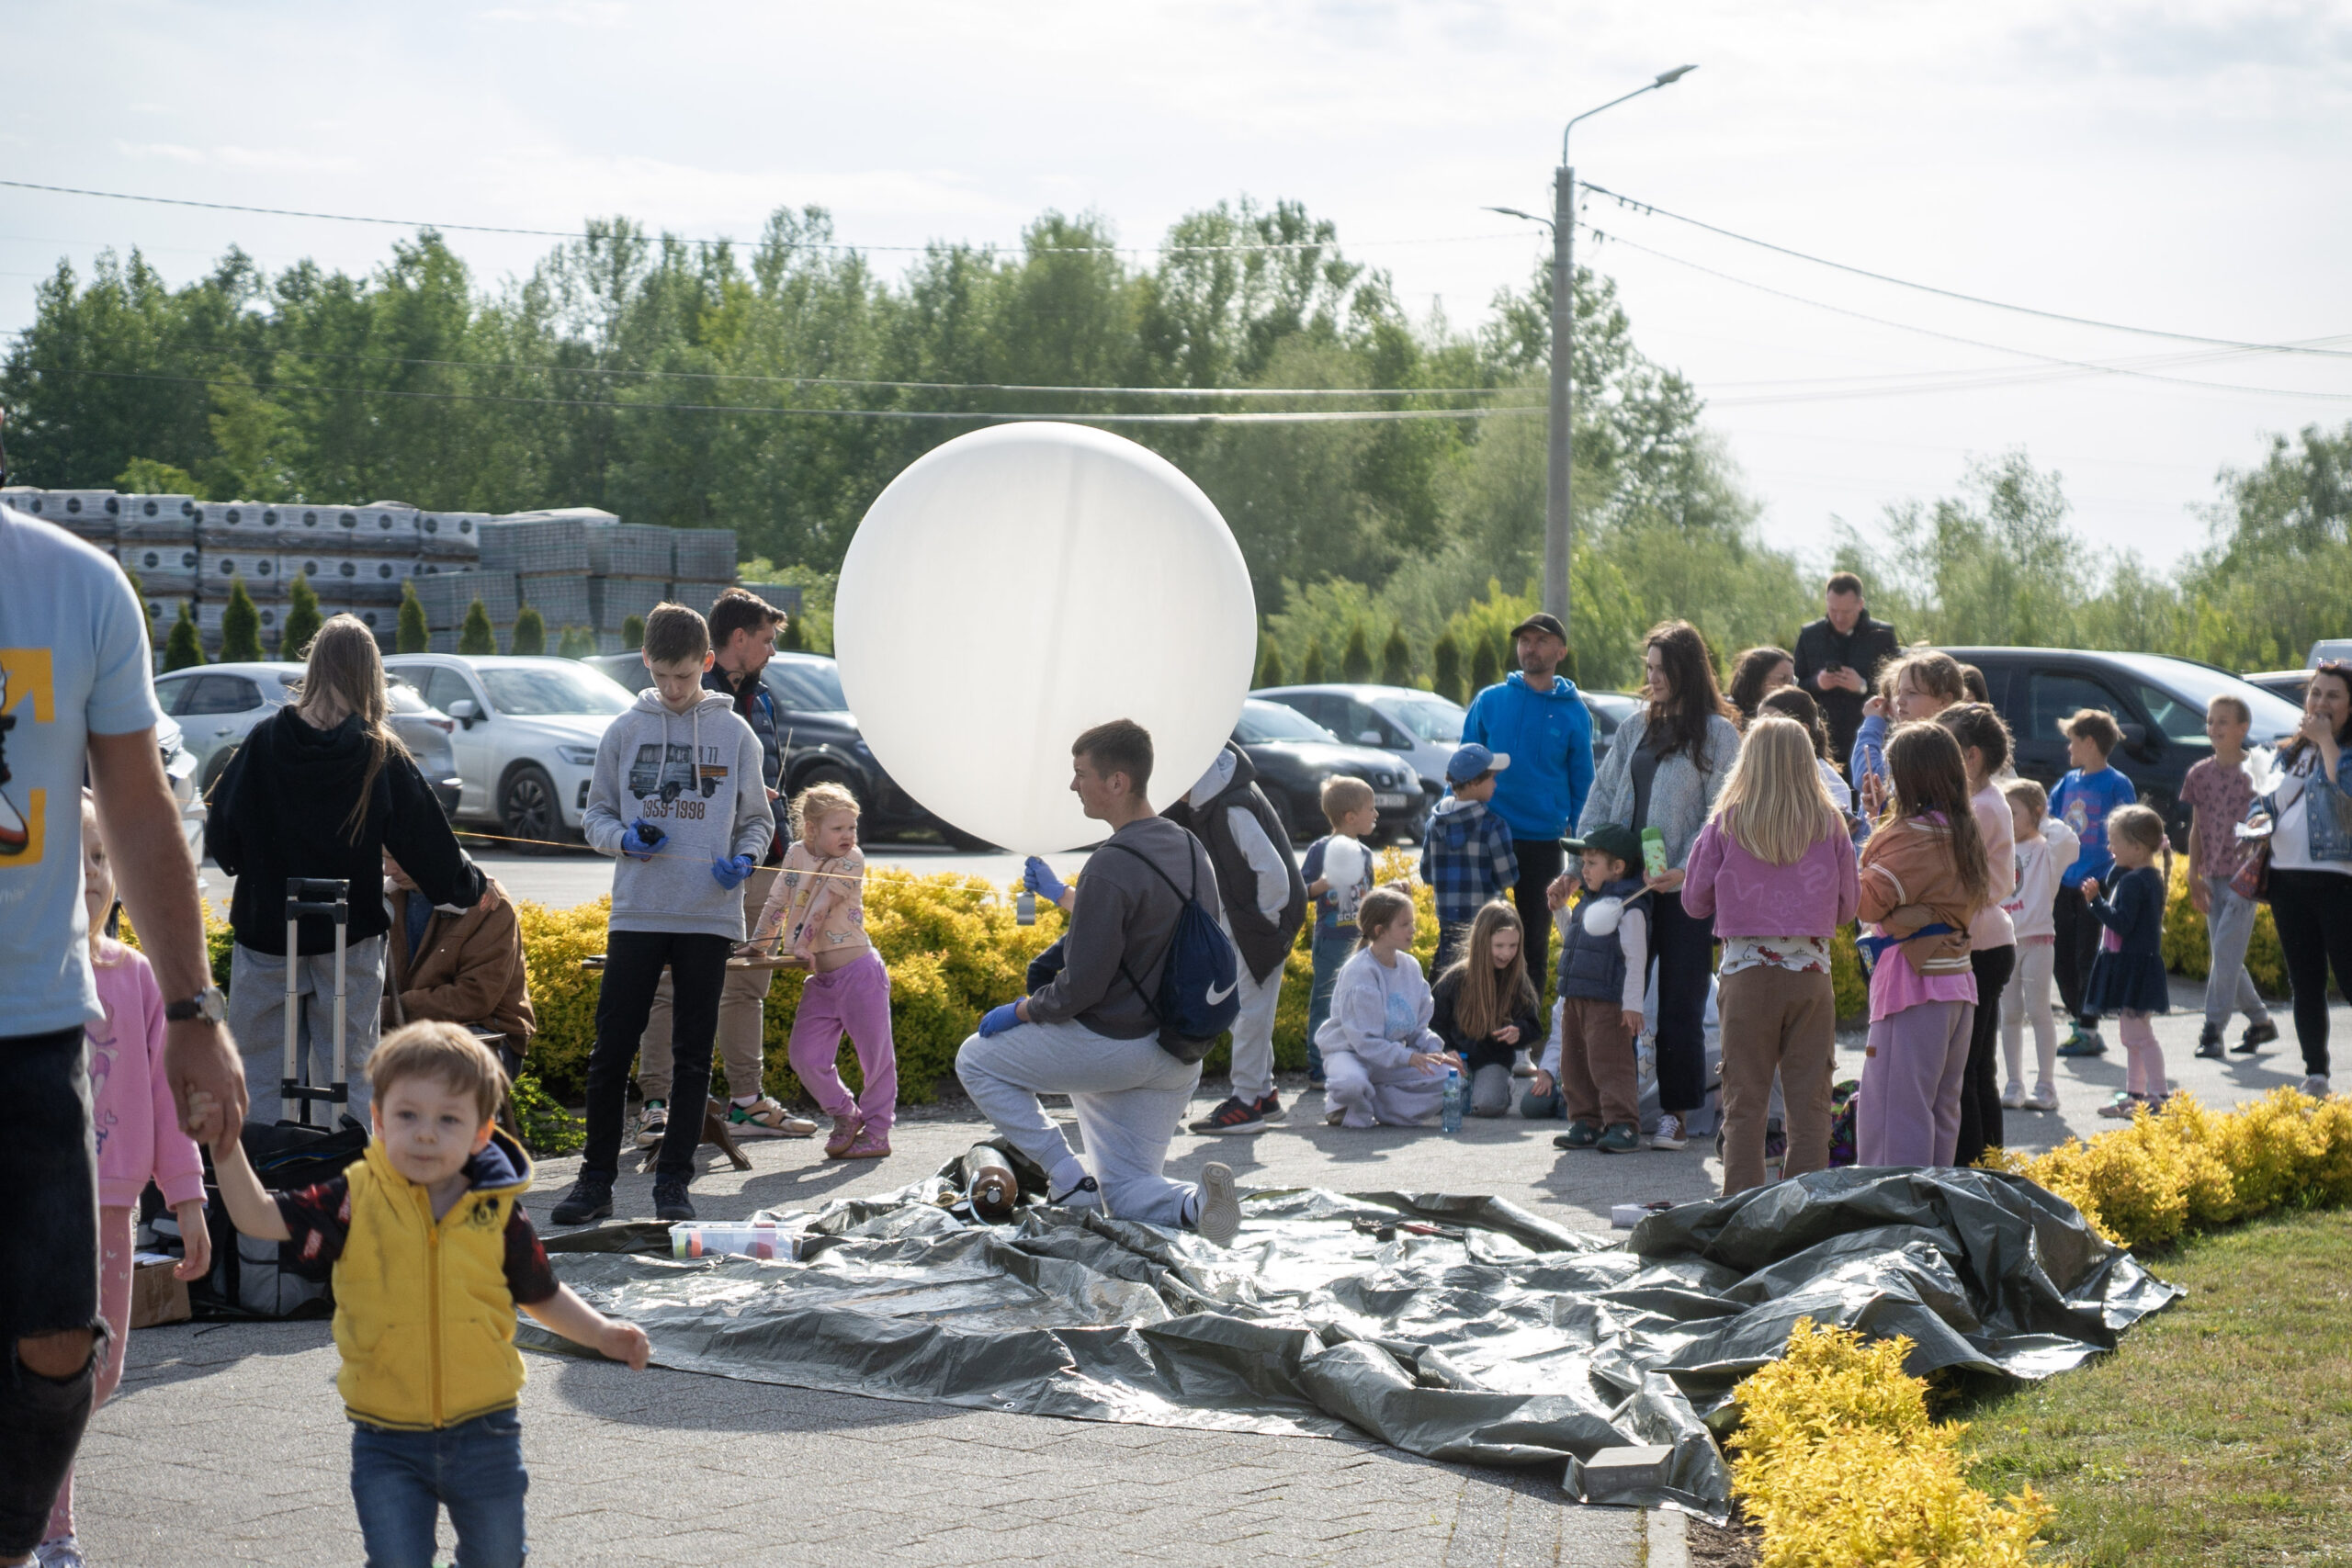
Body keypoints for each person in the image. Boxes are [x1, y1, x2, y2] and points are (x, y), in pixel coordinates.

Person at [0, 488, 243, 1568]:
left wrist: (192, 1010)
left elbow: (139, 809)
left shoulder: (77, 585)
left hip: (33, 1021)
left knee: (61, 1336)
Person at [196, 1024, 650, 1568]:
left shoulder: (497, 1209)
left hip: (485, 1429)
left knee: (498, 1558)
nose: (426, 1135)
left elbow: (541, 1293)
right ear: (379, 1120)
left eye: (448, 1119)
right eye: (408, 1115)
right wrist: (225, 1147)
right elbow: (258, 1217)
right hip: (386, 1438)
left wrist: (602, 1332)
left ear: (481, 1133)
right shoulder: (354, 1198)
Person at [955, 720, 1243, 1243]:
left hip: (1113, 1047)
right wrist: (1068, 898)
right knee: (1126, 1189)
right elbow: (1158, 929)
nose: (1073, 785)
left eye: (1080, 773)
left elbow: (1080, 989)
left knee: (975, 1059)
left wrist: (1019, 1010)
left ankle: (1067, 1180)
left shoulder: (1109, 864)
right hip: (1180, 1053)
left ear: (1117, 781)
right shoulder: (1189, 846)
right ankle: (1196, 1204)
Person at [209, 615, 485, 1127]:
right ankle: (347, 1171)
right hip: (348, 935)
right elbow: (431, 848)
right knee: (353, 1069)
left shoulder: (265, 740)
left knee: (258, 1071)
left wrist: (258, 865)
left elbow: (221, 838)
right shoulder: (378, 751)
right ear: (370, 675)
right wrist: (469, 887)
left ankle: (260, 1170)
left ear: (314, 667)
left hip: (267, 929)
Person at [555, 603, 775, 1226]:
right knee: (611, 1050)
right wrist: (624, 838)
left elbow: (758, 820)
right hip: (638, 912)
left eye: (684, 676)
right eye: (662, 676)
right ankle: (595, 1180)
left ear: (706, 662)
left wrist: (745, 858)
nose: (674, 689)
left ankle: (674, 1181)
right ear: (647, 662)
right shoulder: (624, 730)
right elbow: (595, 816)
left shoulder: (736, 734)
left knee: (692, 1055)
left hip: (708, 916)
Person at [39, 795, 215, 1567]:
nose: (89, 873)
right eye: (70, 856)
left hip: (113, 1205)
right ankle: (49, 1526)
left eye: (102, 857)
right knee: (41, 1366)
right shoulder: (20, 975)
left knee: (98, 1371)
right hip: (30, 1200)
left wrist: (187, 1196)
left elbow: (171, 1097)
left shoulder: (137, 976)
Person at [632, 588, 815, 1145]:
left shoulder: (762, 698)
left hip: (762, 858)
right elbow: (657, 782)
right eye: (767, 639)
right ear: (737, 638)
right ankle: (658, 1104)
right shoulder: (684, 688)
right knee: (668, 988)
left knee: (748, 985)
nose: (773, 651)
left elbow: (759, 783)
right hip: (691, 863)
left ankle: (745, 1102)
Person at [1573, 621, 1741, 1152]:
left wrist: (1687, 867)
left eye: (1663, 669)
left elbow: (1722, 813)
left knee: (1679, 1005)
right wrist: (1585, 862)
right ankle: (1615, 1114)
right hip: (1628, 890)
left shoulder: (1719, 734)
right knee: (1612, 1001)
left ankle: (1675, 1114)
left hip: (1686, 892)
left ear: (1689, 669)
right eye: (1649, 668)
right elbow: (1602, 797)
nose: (1654, 679)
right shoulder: (1634, 728)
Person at [1680, 716, 1860, 1193]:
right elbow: (1849, 908)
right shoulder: (1830, 823)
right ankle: (1804, 1207)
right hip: (1810, 976)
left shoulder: (1727, 821)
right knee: (1811, 1104)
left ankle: (1741, 1206)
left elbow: (1693, 901)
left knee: (1745, 1102)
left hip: (1746, 976)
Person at [1855, 722, 1990, 1168]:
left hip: (1913, 988)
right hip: (1956, 984)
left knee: (1894, 1116)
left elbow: (1867, 902)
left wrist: (1846, 846)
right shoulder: (1960, 827)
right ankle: (1932, 1202)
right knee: (1939, 1110)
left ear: (1909, 776)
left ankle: (1898, 1206)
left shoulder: (1912, 835)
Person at [748, 782, 895, 1160]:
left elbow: (823, 904)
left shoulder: (852, 859)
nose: (848, 836)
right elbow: (777, 901)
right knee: (805, 1057)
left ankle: (878, 1132)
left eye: (852, 827)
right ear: (811, 829)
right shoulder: (797, 853)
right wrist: (759, 944)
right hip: (823, 981)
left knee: (876, 1059)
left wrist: (800, 942)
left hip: (860, 973)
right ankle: (846, 1113)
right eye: (838, 828)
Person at [1169, 743, 1307, 1137]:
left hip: (1262, 922)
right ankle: (1263, 1093)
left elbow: (1274, 875)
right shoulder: (1219, 797)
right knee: (1247, 1008)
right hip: (1254, 919)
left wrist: (1262, 925)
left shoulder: (1230, 807)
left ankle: (1246, 1103)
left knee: (1247, 1011)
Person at [1460, 611, 1595, 983]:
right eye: (1524, 641)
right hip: (1486, 836)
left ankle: (1526, 1020)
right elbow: (1462, 770)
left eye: (1541, 641)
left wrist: (1582, 858)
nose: (1530, 648)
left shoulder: (1575, 713)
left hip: (1541, 843)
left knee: (1532, 944)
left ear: (1561, 652)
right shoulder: (1489, 701)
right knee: (1479, 939)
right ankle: (1479, 1016)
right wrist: (1447, 823)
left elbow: (1584, 790)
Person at [2248, 660, 2352, 1098]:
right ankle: (2316, 1074)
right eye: (2315, 693)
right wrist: (2254, 821)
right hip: (2286, 879)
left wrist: (2326, 741)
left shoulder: (2340, 750)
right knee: (2305, 982)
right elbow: (2262, 801)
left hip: (2338, 880)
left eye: (2333, 695)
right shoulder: (2289, 751)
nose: (2321, 703)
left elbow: (2345, 792)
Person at [1532, 824, 1651, 1153]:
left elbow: (1635, 957)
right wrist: (1560, 909)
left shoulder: (1629, 906)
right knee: (1575, 1062)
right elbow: (1575, 938)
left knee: (1610, 1062)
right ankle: (1586, 1120)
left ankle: (1623, 1123)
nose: (1583, 870)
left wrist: (1632, 1004)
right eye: (1583, 862)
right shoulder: (1589, 900)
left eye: (1591, 863)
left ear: (1618, 867)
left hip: (1608, 1001)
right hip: (1576, 997)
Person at [1937, 704, 2018, 1167]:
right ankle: (1989, 1166)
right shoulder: (1986, 800)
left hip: (1979, 942)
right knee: (1978, 1068)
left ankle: (1972, 1169)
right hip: (1989, 939)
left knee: (1964, 1071)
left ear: (1970, 756)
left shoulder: (1980, 807)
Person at [2180, 695, 2279, 1059]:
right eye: (2210, 721)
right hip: (2213, 874)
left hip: (2246, 876)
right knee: (2227, 954)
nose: (2214, 728)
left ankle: (2212, 1030)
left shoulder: (2257, 770)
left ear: (2242, 728)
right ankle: (2261, 1021)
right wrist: (2193, 873)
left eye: (2223, 721)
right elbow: (2196, 827)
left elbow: (2273, 817)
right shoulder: (2199, 774)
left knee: (2224, 950)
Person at [1317, 886, 1462, 1128]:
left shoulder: (1411, 967)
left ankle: (1373, 1104)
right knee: (1352, 1084)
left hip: (1388, 1059)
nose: (1412, 929)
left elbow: (1418, 1029)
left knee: (1450, 1078)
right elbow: (1365, 1043)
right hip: (1351, 1055)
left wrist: (1438, 1053)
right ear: (1380, 931)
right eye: (1405, 924)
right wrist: (1409, 1057)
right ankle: (1346, 1100)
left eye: (1412, 923)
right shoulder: (1360, 972)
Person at [382, 852, 535, 1072]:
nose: (388, 870)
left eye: (397, 858)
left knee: (425, 1072)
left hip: (485, 1033)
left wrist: (388, 1009)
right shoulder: (387, 897)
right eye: (384, 858)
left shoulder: (487, 900)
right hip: (401, 1031)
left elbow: (474, 997)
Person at [2050, 709, 2138, 1059]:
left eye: (2072, 741)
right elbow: (2049, 822)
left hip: (2096, 884)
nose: (2068, 748)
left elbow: (2130, 829)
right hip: (2065, 882)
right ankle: (2080, 1020)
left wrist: (2122, 878)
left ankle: (2087, 1028)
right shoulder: (2067, 782)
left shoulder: (2117, 784)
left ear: (2089, 742)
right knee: (2061, 957)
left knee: (2087, 957)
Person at [2082, 805, 2176, 1119]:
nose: (2109, 847)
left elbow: (2121, 923)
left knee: (2140, 1036)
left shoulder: (2137, 882)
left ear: (2136, 848)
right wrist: (2117, 870)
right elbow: (2114, 879)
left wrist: (2095, 902)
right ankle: (2135, 1095)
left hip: (2134, 968)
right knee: (2131, 1037)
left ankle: (2159, 1095)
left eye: (2115, 841)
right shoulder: (2141, 876)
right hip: (2134, 966)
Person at [1997, 779, 2079, 1112]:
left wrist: (2041, 818)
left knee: (2039, 1010)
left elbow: (2070, 840)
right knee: (2010, 1013)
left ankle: (2046, 1086)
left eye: (2013, 813)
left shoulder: (2048, 850)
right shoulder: (2000, 847)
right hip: (2005, 943)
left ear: (2035, 813)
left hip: (2039, 941)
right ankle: (2014, 1083)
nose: (2007, 820)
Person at [1299, 776, 1379, 1090]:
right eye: (1371, 808)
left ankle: (1355, 1060)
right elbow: (1301, 890)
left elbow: (1368, 896)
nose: (1375, 814)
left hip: (1359, 941)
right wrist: (1324, 884)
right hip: (1331, 941)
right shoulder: (1321, 850)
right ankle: (1319, 1067)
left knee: (1358, 1001)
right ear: (1350, 816)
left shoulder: (1365, 853)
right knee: (1325, 1002)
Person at [1430, 900, 1544, 1118]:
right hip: (1457, 1058)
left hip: (1492, 1059)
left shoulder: (1518, 981)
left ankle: (1501, 1087)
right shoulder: (1455, 979)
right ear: (1482, 943)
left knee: (1487, 1106)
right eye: (1499, 946)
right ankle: (1471, 1090)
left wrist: (1519, 1031)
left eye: (1513, 946)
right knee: (1437, 1103)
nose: (1506, 953)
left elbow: (1533, 1026)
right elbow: (1434, 1024)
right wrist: (1446, 1049)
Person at [1419, 742, 1519, 973]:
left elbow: (1426, 874)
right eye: (1491, 778)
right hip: (1486, 924)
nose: (1495, 784)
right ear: (1474, 782)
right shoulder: (1493, 825)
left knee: (1450, 979)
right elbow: (1508, 877)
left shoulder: (1434, 824)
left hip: (1448, 921)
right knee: (1484, 981)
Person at [1792, 571, 1901, 768]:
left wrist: (1862, 686)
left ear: (1860, 604)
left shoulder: (1882, 636)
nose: (1839, 618)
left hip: (1867, 735)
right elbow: (1794, 686)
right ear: (1826, 602)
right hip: (1820, 738)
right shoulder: (1810, 636)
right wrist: (1817, 683)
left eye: (1846, 611)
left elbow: (1897, 687)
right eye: (1833, 610)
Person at [1849, 650, 1968, 813]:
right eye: (1898, 692)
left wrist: (1873, 723)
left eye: (1912, 693)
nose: (1900, 701)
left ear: (1944, 701)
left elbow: (1866, 777)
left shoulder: (1930, 747)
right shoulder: (1908, 741)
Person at [1758, 686, 1855, 821]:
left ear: (1802, 730)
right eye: (1759, 724)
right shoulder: (1759, 772)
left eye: (1773, 725)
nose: (1761, 732)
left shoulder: (1830, 783)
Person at [1726, 646, 1797, 725]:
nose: (1790, 687)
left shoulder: (1793, 715)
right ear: (1758, 680)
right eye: (1783, 679)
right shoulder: (1730, 718)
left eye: (1792, 681)